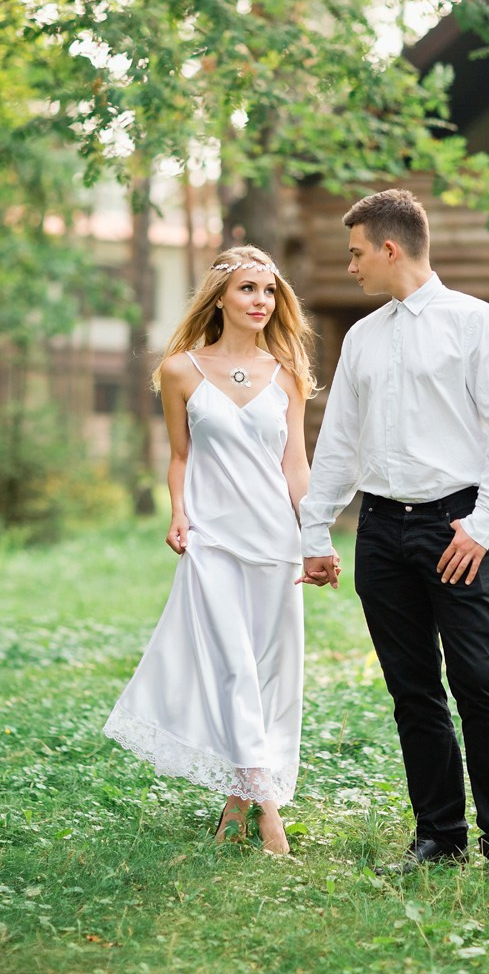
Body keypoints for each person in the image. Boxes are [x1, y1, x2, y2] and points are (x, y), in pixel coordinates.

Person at [298, 189, 489, 891]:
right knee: (412, 691)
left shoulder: (474, 323)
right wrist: (317, 528)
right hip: (381, 532)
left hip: (458, 525)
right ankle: (439, 833)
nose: (351, 268)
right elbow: (338, 440)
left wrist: (484, 520)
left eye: (356, 253)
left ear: (390, 248)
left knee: (481, 684)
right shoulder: (363, 339)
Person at [104, 245, 318, 855]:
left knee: (272, 673)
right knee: (232, 665)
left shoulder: (287, 374)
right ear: (220, 296)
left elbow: (294, 464)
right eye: (249, 289)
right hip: (213, 540)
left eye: (269, 291)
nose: (261, 301)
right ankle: (269, 810)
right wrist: (178, 512)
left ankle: (238, 794)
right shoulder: (181, 371)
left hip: (275, 540)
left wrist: (312, 536)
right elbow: (180, 456)